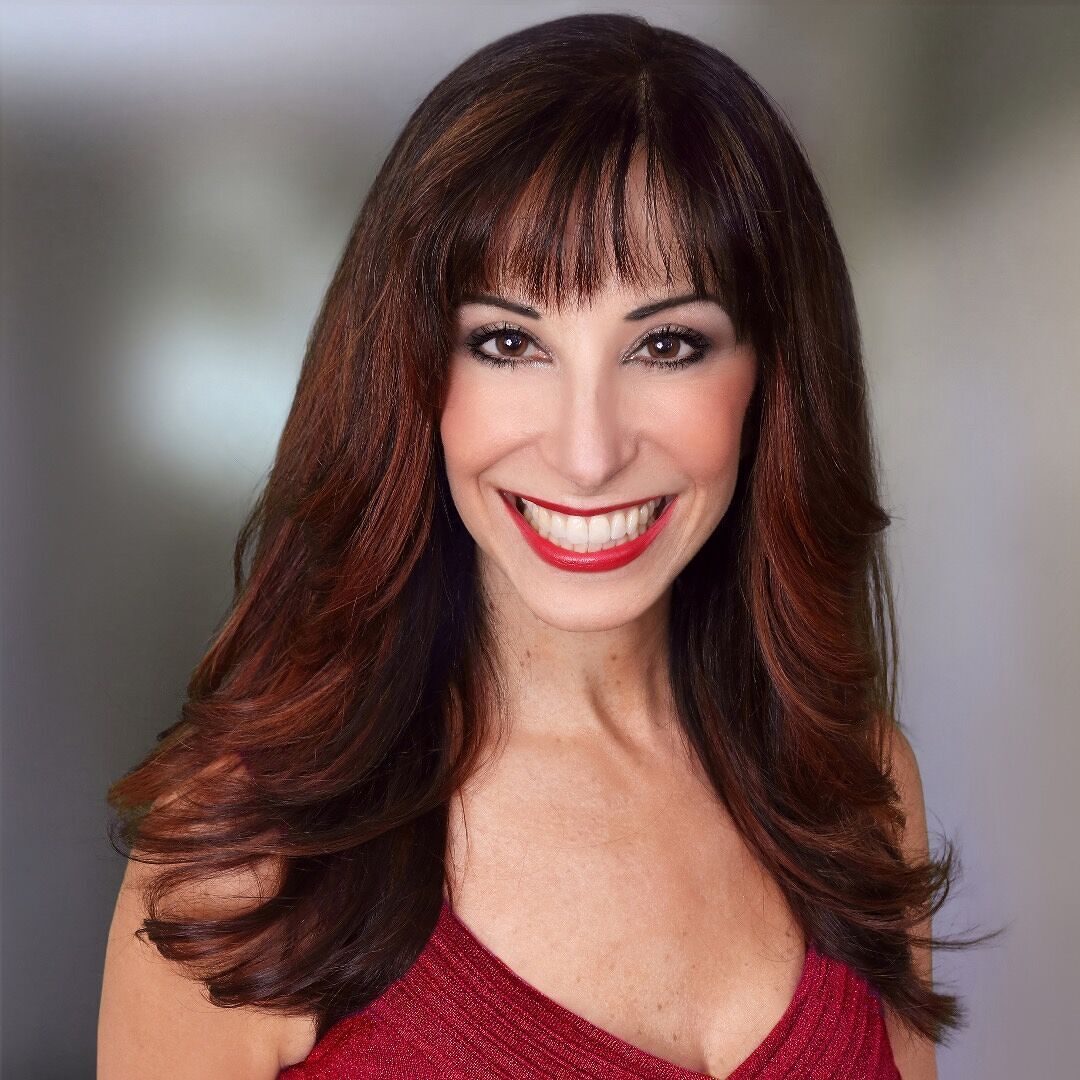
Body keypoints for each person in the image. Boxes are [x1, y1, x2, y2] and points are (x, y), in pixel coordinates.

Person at [98, 13, 992, 1079]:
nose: (587, 452)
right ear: (411, 373)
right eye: (509, 341)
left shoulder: (856, 784)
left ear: (770, 379)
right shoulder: (247, 855)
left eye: (667, 344)